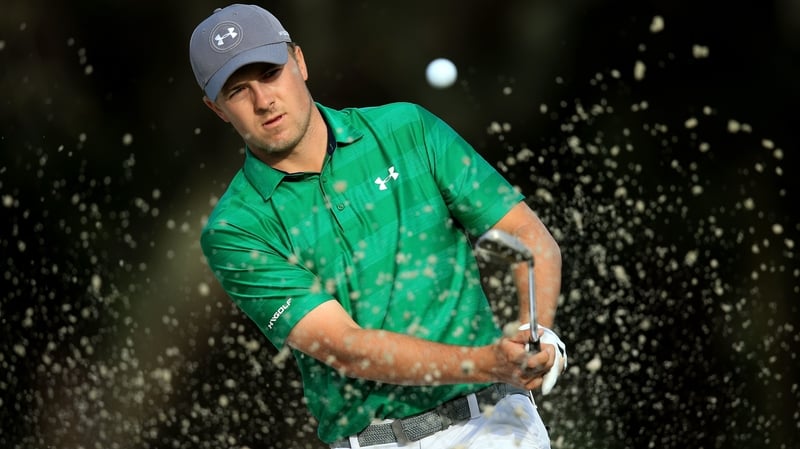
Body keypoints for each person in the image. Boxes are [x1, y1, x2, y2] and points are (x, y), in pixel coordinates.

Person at [189, 4, 567, 448]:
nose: (263, 101)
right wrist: (490, 363)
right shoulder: (236, 228)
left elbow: (526, 235)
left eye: (270, 74)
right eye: (238, 91)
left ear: (299, 61)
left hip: (497, 425)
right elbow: (348, 347)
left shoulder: (407, 128)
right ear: (216, 109)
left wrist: (534, 333)